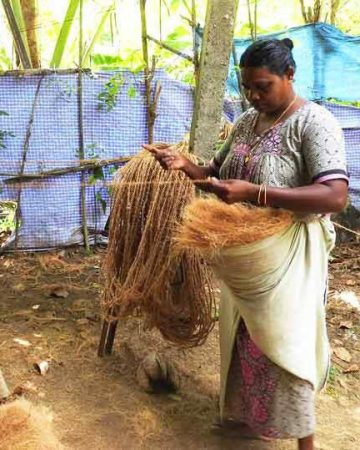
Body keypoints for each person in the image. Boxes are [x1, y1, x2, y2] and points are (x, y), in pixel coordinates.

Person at [143, 38, 348, 450]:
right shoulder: (245, 123)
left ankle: (305, 441)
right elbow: (217, 177)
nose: (253, 96)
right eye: (247, 88)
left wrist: (258, 194)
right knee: (245, 337)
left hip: (290, 256)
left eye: (263, 86)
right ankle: (249, 418)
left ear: (289, 76)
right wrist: (187, 166)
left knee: (285, 342)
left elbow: (334, 196)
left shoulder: (314, 122)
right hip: (246, 256)